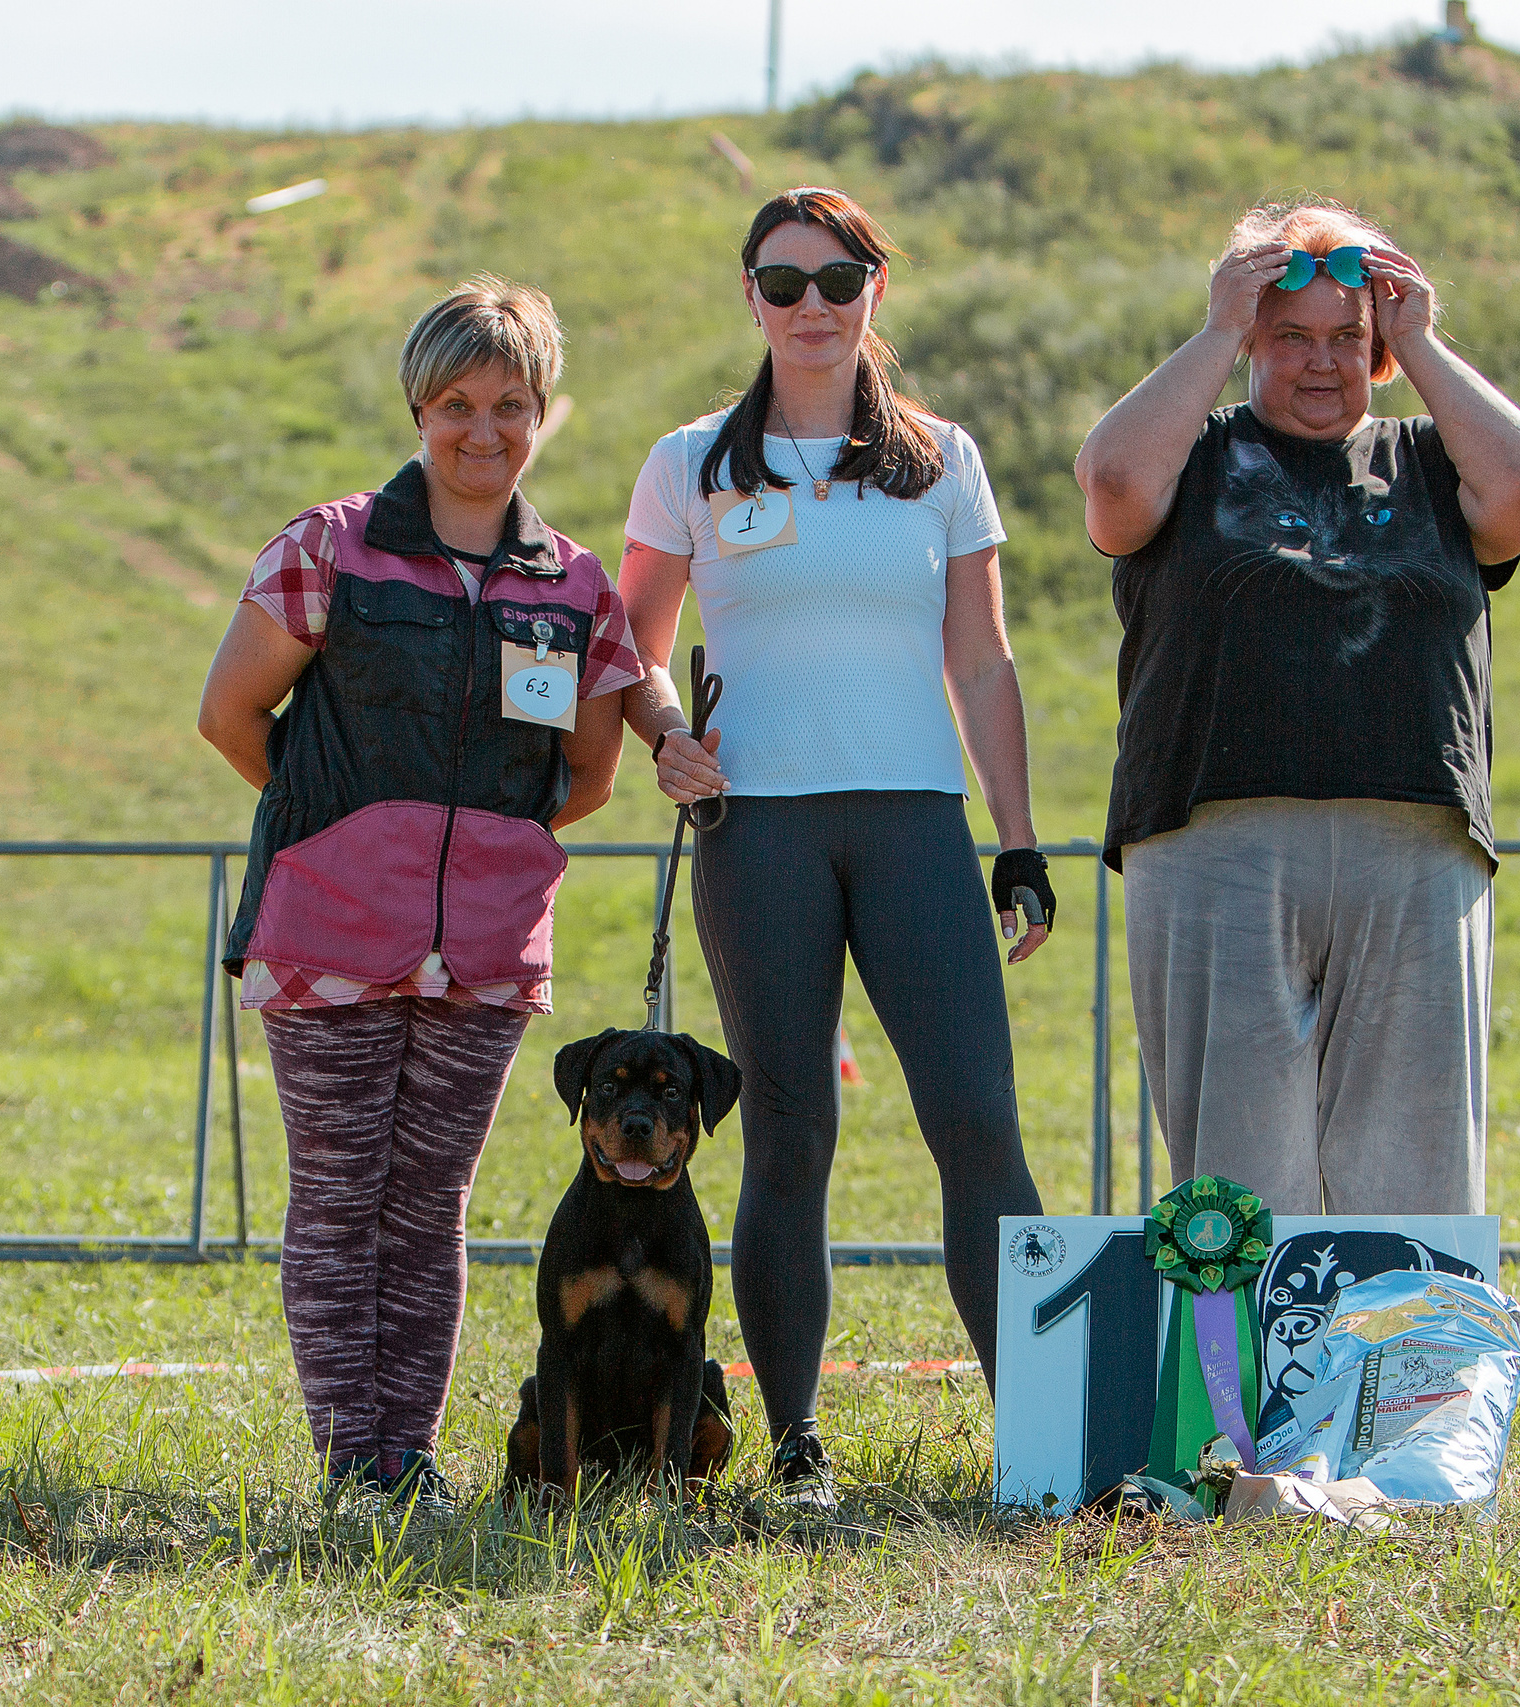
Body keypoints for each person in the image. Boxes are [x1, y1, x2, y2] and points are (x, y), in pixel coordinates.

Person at [618, 187, 1052, 1510]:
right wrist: (668, 735)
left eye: (838, 278)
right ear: (749, 297)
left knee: (977, 1121)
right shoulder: (690, 459)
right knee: (790, 1132)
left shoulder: (942, 460)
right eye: (784, 280)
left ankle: (1042, 1433)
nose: (813, 304)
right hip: (759, 833)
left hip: (917, 819)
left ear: (876, 289)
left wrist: (1018, 838)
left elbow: (980, 659)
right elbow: (629, 642)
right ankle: (797, 1440)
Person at [197, 276, 642, 1505]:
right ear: (417, 408)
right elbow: (231, 716)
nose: (483, 430)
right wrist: (337, 824)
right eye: (456, 403)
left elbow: (591, 774)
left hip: (488, 953)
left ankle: (414, 1458)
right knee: (340, 1203)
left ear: (543, 412)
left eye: (511, 403)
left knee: (430, 1206)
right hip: (327, 936)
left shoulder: (572, 584)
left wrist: (482, 853)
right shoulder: (329, 546)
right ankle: (354, 1467)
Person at [1075, 197, 1520, 1219]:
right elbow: (1112, 484)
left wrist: (1419, 333)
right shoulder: (1187, 452)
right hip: (1214, 839)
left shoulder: (1433, 458)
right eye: (1289, 337)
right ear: (1251, 337)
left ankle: (1405, 1381)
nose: (1321, 362)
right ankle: (1231, 1381)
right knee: (1238, 1175)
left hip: (1414, 837)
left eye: (1349, 337)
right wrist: (1215, 327)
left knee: (1413, 1164)